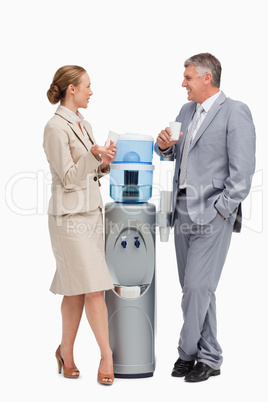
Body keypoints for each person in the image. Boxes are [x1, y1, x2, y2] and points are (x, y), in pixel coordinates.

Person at [155, 53, 256, 382]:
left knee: (197, 288)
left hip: (212, 213)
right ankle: (209, 355)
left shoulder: (235, 112)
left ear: (206, 78)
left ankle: (186, 352)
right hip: (181, 209)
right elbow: (175, 151)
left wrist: (223, 210)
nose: (182, 83)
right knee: (196, 289)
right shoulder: (186, 110)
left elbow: (242, 173)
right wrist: (164, 146)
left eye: (187, 77)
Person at [43, 65, 118, 385]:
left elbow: (88, 173)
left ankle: (66, 353)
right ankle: (107, 356)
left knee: (75, 293)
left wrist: (103, 164)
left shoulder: (82, 123)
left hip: (91, 214)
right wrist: (91, 154)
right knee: (95, 290)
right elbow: (69, 178)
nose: (91, 91)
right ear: (71, 89)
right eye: (87, 86)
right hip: (70, 220)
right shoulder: (55, 127)